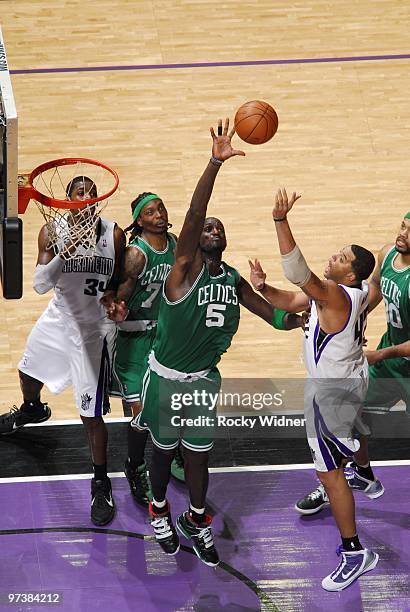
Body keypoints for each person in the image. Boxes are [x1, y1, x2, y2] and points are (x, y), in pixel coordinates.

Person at [133, 119, 302, 567]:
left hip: (204, 381)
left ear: (224, 239)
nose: (210, 228)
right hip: (167, 379)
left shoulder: (232, 279)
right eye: (205, 228)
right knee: (163, 449)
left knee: (198, 457)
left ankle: (196, 519)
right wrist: (214, 163)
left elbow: (275, 319)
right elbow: (191, 214)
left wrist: (306, 318)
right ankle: (159, 509)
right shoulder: (182, 271)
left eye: (216, 228)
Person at [249, 187, 378, 591]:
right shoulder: (340, 297)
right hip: (350, 381)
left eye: (342, 258)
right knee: (342, 453)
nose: (334, 257)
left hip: (330, 396)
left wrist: (280, 220)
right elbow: (293, 297)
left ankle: (356, 552)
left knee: (328, 474)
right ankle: (359, 470)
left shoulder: (336, 295)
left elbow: (298, 274)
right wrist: (263, 289)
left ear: (350, 274)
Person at [0, 176, 126, 527]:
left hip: (93, 331)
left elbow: (116, 283)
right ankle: (32, 408)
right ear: (68, 199)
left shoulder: (113, 234)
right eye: (79, 193)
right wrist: (64, 253)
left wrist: (118, 302)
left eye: (91, 193)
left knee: (90, 414)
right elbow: (40, 284)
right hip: (59, 318)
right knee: (27, 372)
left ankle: (100, 481)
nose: (86, 198)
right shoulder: (51, 231)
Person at [294, 211, 410, 514]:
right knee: (352, 414)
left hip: (396, 357)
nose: (402, 235)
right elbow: (371, 290)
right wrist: (351, 325)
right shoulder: (387, 256)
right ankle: (358, 473)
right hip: (389, 358)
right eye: (403, 226)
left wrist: (382, 353)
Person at [103, 192, 183, 507]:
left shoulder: (175, 244)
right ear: (139, 220)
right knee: (143, 415)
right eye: (150, 212)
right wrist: (117, 311)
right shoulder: (137, 254)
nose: (158, 214)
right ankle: (135, 467)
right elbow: (120, 296)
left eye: (160, 207)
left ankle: (171, 452)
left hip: (164, 339)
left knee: (169, 404)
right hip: (134, 340)